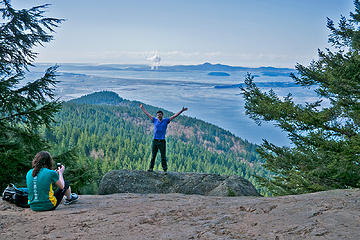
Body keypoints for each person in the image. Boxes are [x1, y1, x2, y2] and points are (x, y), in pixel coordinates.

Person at [139, 104, 188, 174]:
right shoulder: (155, 120)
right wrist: (142, 108)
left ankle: (165, 170)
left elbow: (174, 116)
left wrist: (181, 111)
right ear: (157, 115)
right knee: (153, 156)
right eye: (158, 115)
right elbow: (147, 114)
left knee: (163, 156)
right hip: (155, 141)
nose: (159, 115)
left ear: (162, 115)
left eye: (160, 114)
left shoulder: (166, 121)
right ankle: (150, 168)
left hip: (162, 141)